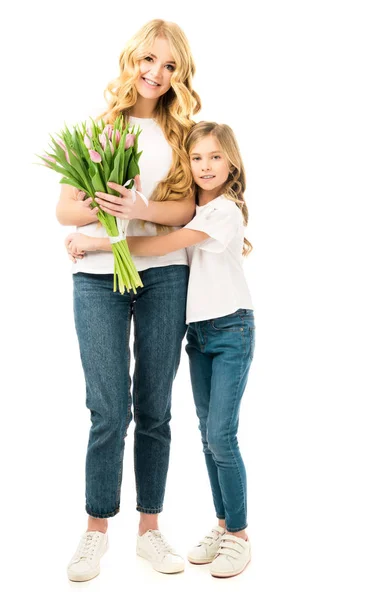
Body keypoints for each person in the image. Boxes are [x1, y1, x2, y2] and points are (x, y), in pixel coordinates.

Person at [66, 121, 255, 579]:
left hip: (221, 323)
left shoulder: (219, 211)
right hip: (199, 333)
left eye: (214, 157)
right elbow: (67, 209)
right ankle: (106, 529)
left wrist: (98, 238)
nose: (205, 166)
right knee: (122, 413)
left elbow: (165, 240)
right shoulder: (200, 209)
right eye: (198, 159)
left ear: (231, 161)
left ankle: (230, 532)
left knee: (202, 429)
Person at [57, 19, 201, 581]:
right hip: (96, 277)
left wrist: (136, 206)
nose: (156, 74)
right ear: (131, 59)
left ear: (180, 74)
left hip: (165, 276)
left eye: (170, 66)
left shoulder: (183, 135)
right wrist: (103, 207)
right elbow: (65, 210)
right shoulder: (101, 128)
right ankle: (96, 530)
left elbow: (187, 210)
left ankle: (150, 530)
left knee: (156, 409)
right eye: (148, 60)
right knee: (108, 409)